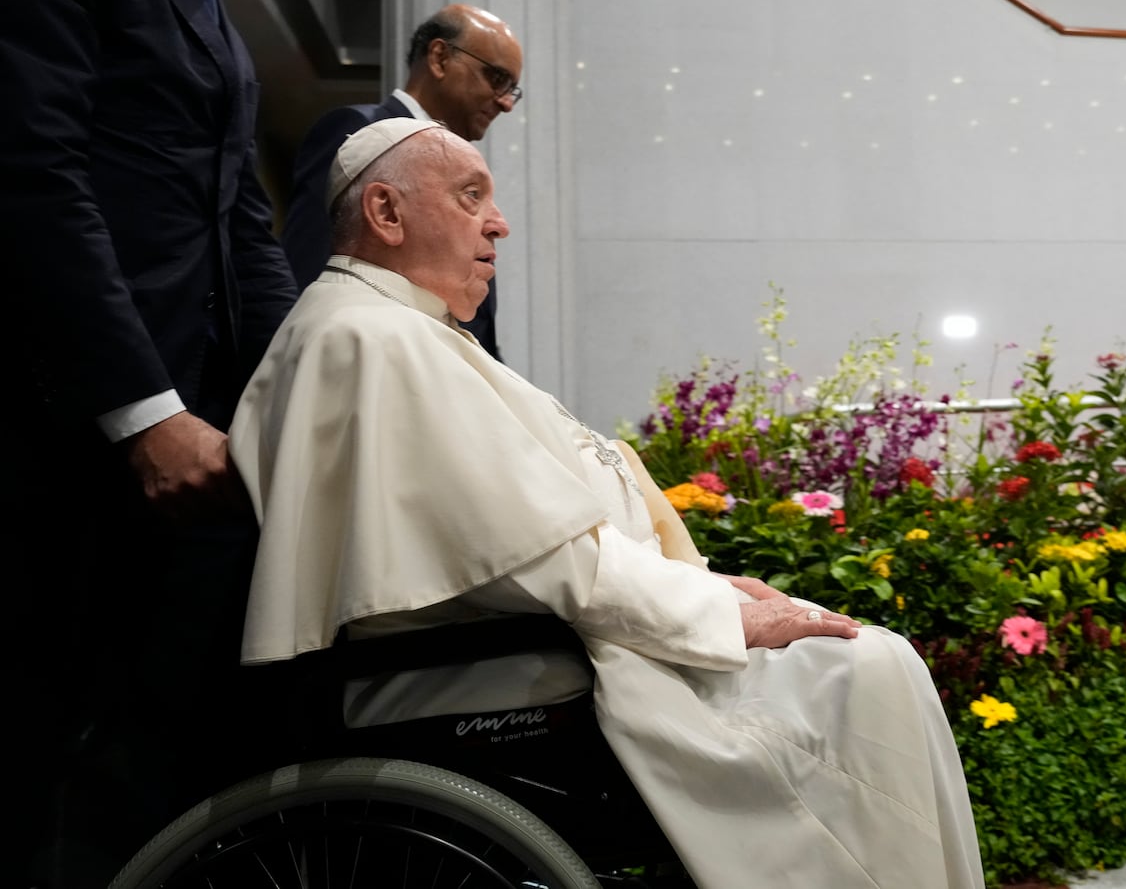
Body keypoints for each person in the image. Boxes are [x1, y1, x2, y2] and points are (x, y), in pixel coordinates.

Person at [229, 118, 986, 889]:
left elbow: (523, 537)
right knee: (858, 670)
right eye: (469, 196)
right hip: (494, 665)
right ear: (387, 214)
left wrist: (710, 591)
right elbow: (533, 556)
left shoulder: (394, 326)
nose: (500, 222)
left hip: (524, 639)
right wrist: (722, 614)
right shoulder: (370, 336)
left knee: (861, 663)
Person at [0, 0, 299, 883]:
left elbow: (241, 235)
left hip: (189, 442)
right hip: (68, 435)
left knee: (142, 753)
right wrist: (143, 408)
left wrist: (320, 385)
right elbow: (35, 173)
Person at [279, 4, 524, 358]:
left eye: (512, 90)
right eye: (497, 78)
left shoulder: (462, 163)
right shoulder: (359, 137)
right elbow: (308, 274)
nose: (506, 104)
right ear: (439, 57)